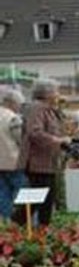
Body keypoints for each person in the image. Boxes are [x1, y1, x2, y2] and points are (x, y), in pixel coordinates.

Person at [18, 79, 71, 227]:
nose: (58, 95)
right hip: (37, 163)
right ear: (47, 93)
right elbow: (34, 133)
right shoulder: (36, 109)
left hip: (49, 163)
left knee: (47, 200)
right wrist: (58, 140)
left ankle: (43, 231)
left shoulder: (49, 110)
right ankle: (15, 227)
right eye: (56, 91)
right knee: (38, 199)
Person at [0, 87, 26, 221]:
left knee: (2, 195)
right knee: (21, 194)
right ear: (10, 102)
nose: (19, 107)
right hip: (14, 163)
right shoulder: (12, 118)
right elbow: (21, 140)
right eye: (18, 104)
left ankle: (5, 223)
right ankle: (20, 223)